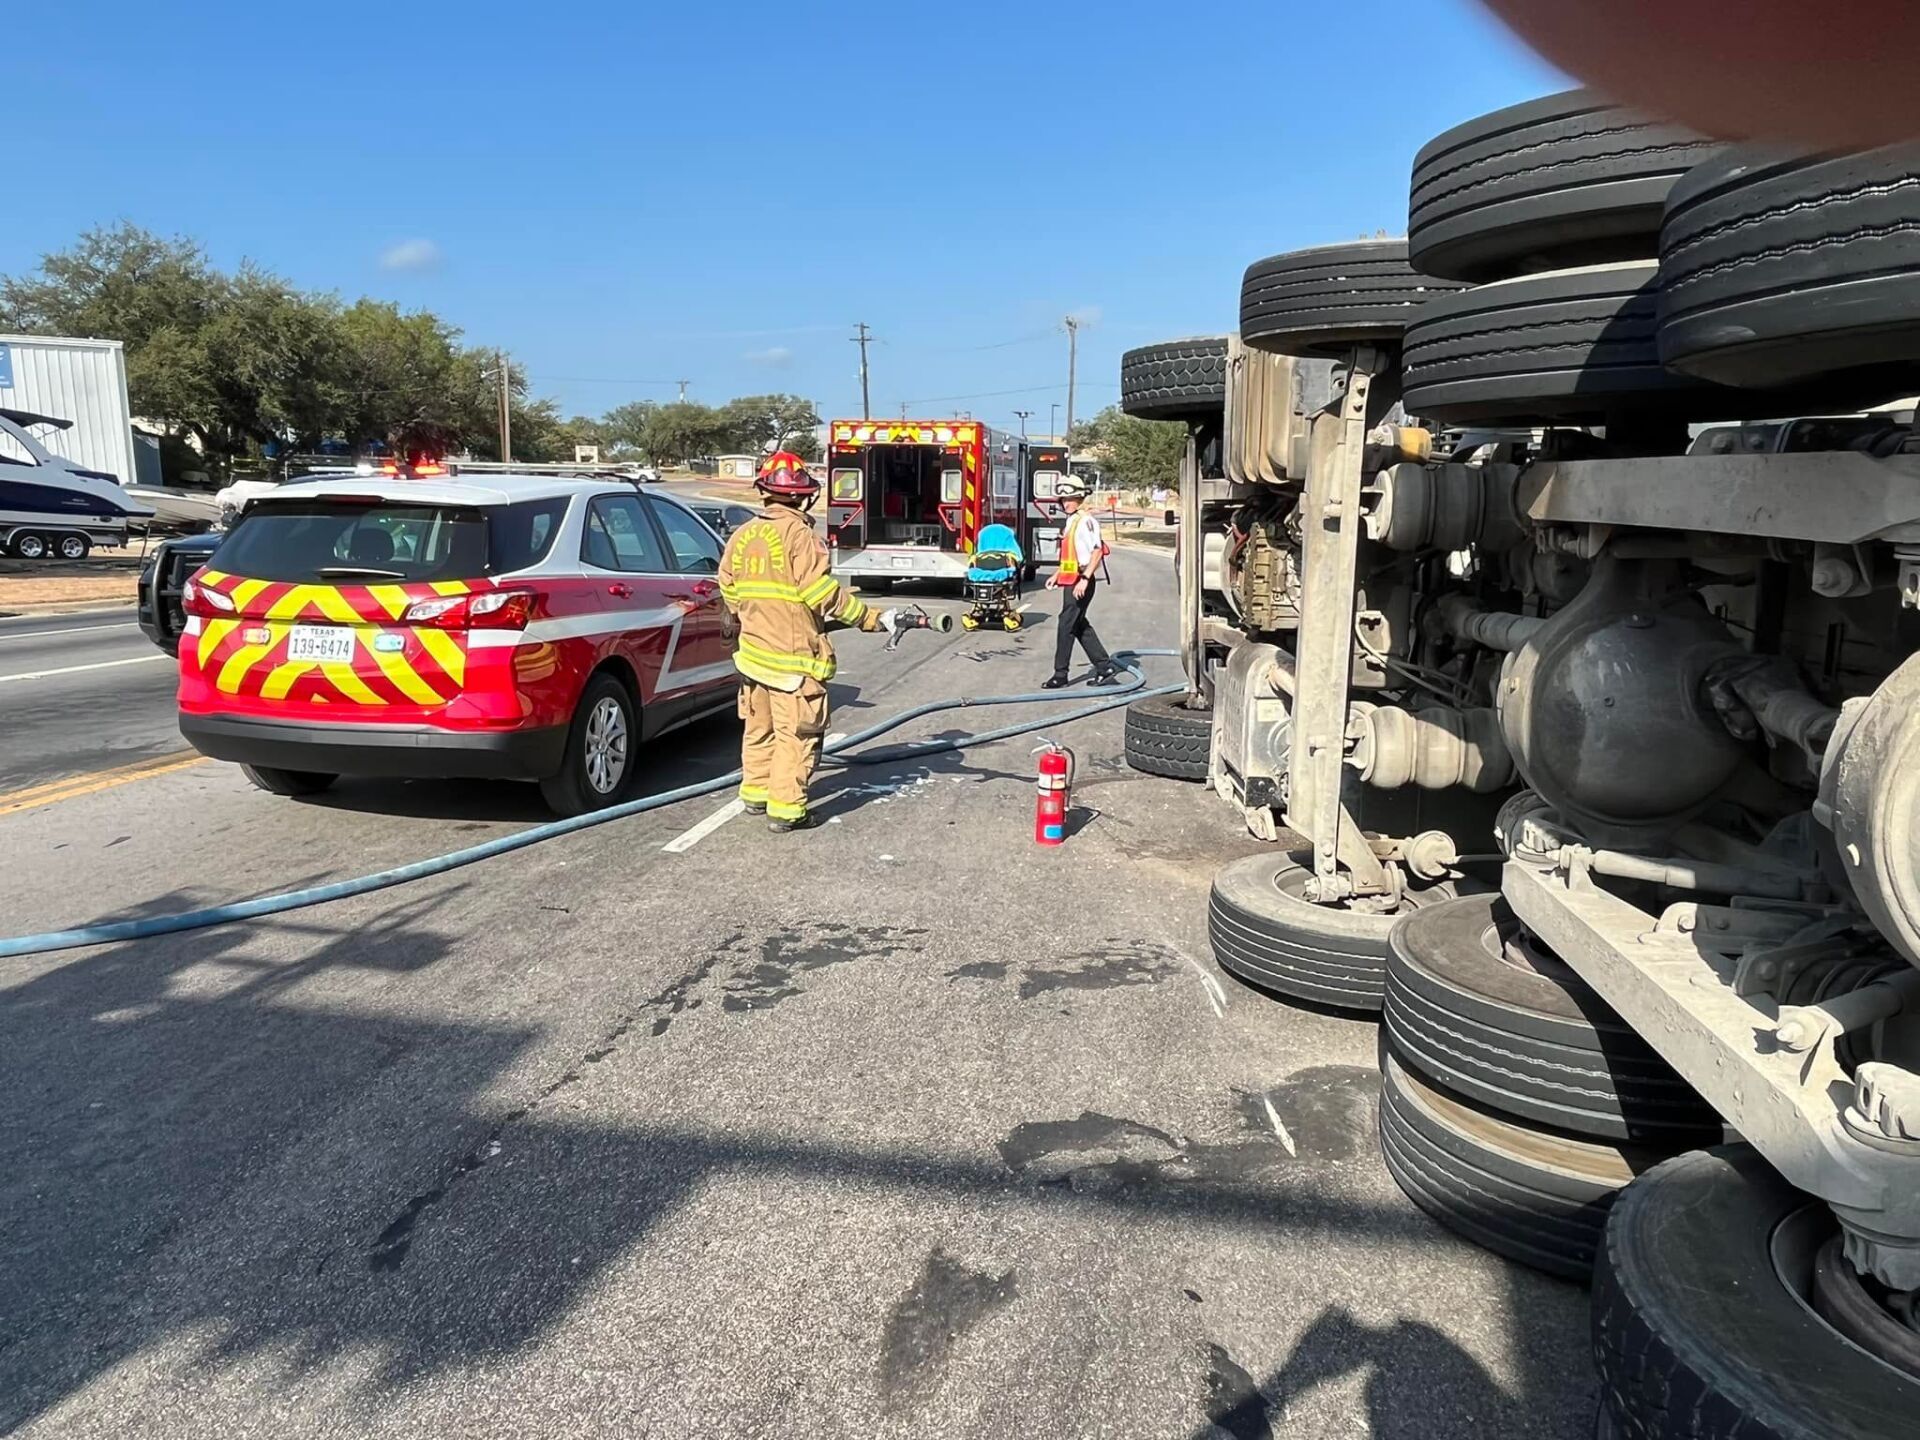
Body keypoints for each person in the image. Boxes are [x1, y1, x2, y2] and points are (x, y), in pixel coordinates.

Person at [717, 451, 891, 833]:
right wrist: (869, 619)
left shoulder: (743, 535)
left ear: (764, 491)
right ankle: (788, 811)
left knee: (758, 729)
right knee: (797, 736)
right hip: (792, 664)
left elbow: (728, 587)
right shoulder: (800, 536)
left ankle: (756, 794)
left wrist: (758, 616)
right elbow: (821, 593)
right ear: (804, 496)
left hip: (753, 658)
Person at [1044, 476, 1122, 689]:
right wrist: (1057, 574)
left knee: (1066, 624)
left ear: (1079, 498)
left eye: (1070, 498)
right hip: (1072, 579)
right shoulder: (1072, 520)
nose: (1066, 503)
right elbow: (1072, 556)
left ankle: (1060, 675)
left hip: (1081, 580)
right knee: (1078, 625)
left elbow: (1096, 552)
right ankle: (1104, 667)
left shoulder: (1086, 521)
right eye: (1063, 499)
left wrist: (1085, 579)